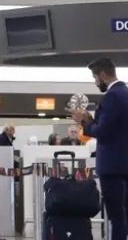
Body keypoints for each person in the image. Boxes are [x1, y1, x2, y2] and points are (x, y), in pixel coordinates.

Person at [73, 57, 127, 240]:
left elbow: (103, 131)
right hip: (124, 163)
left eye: (95, 78)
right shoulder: (125, 93)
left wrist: (84, 123)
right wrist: (90, 120)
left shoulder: (111, 97)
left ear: (103, 75)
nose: (96, 83)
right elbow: (114, 127)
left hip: (112, 166)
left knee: (116, 216)